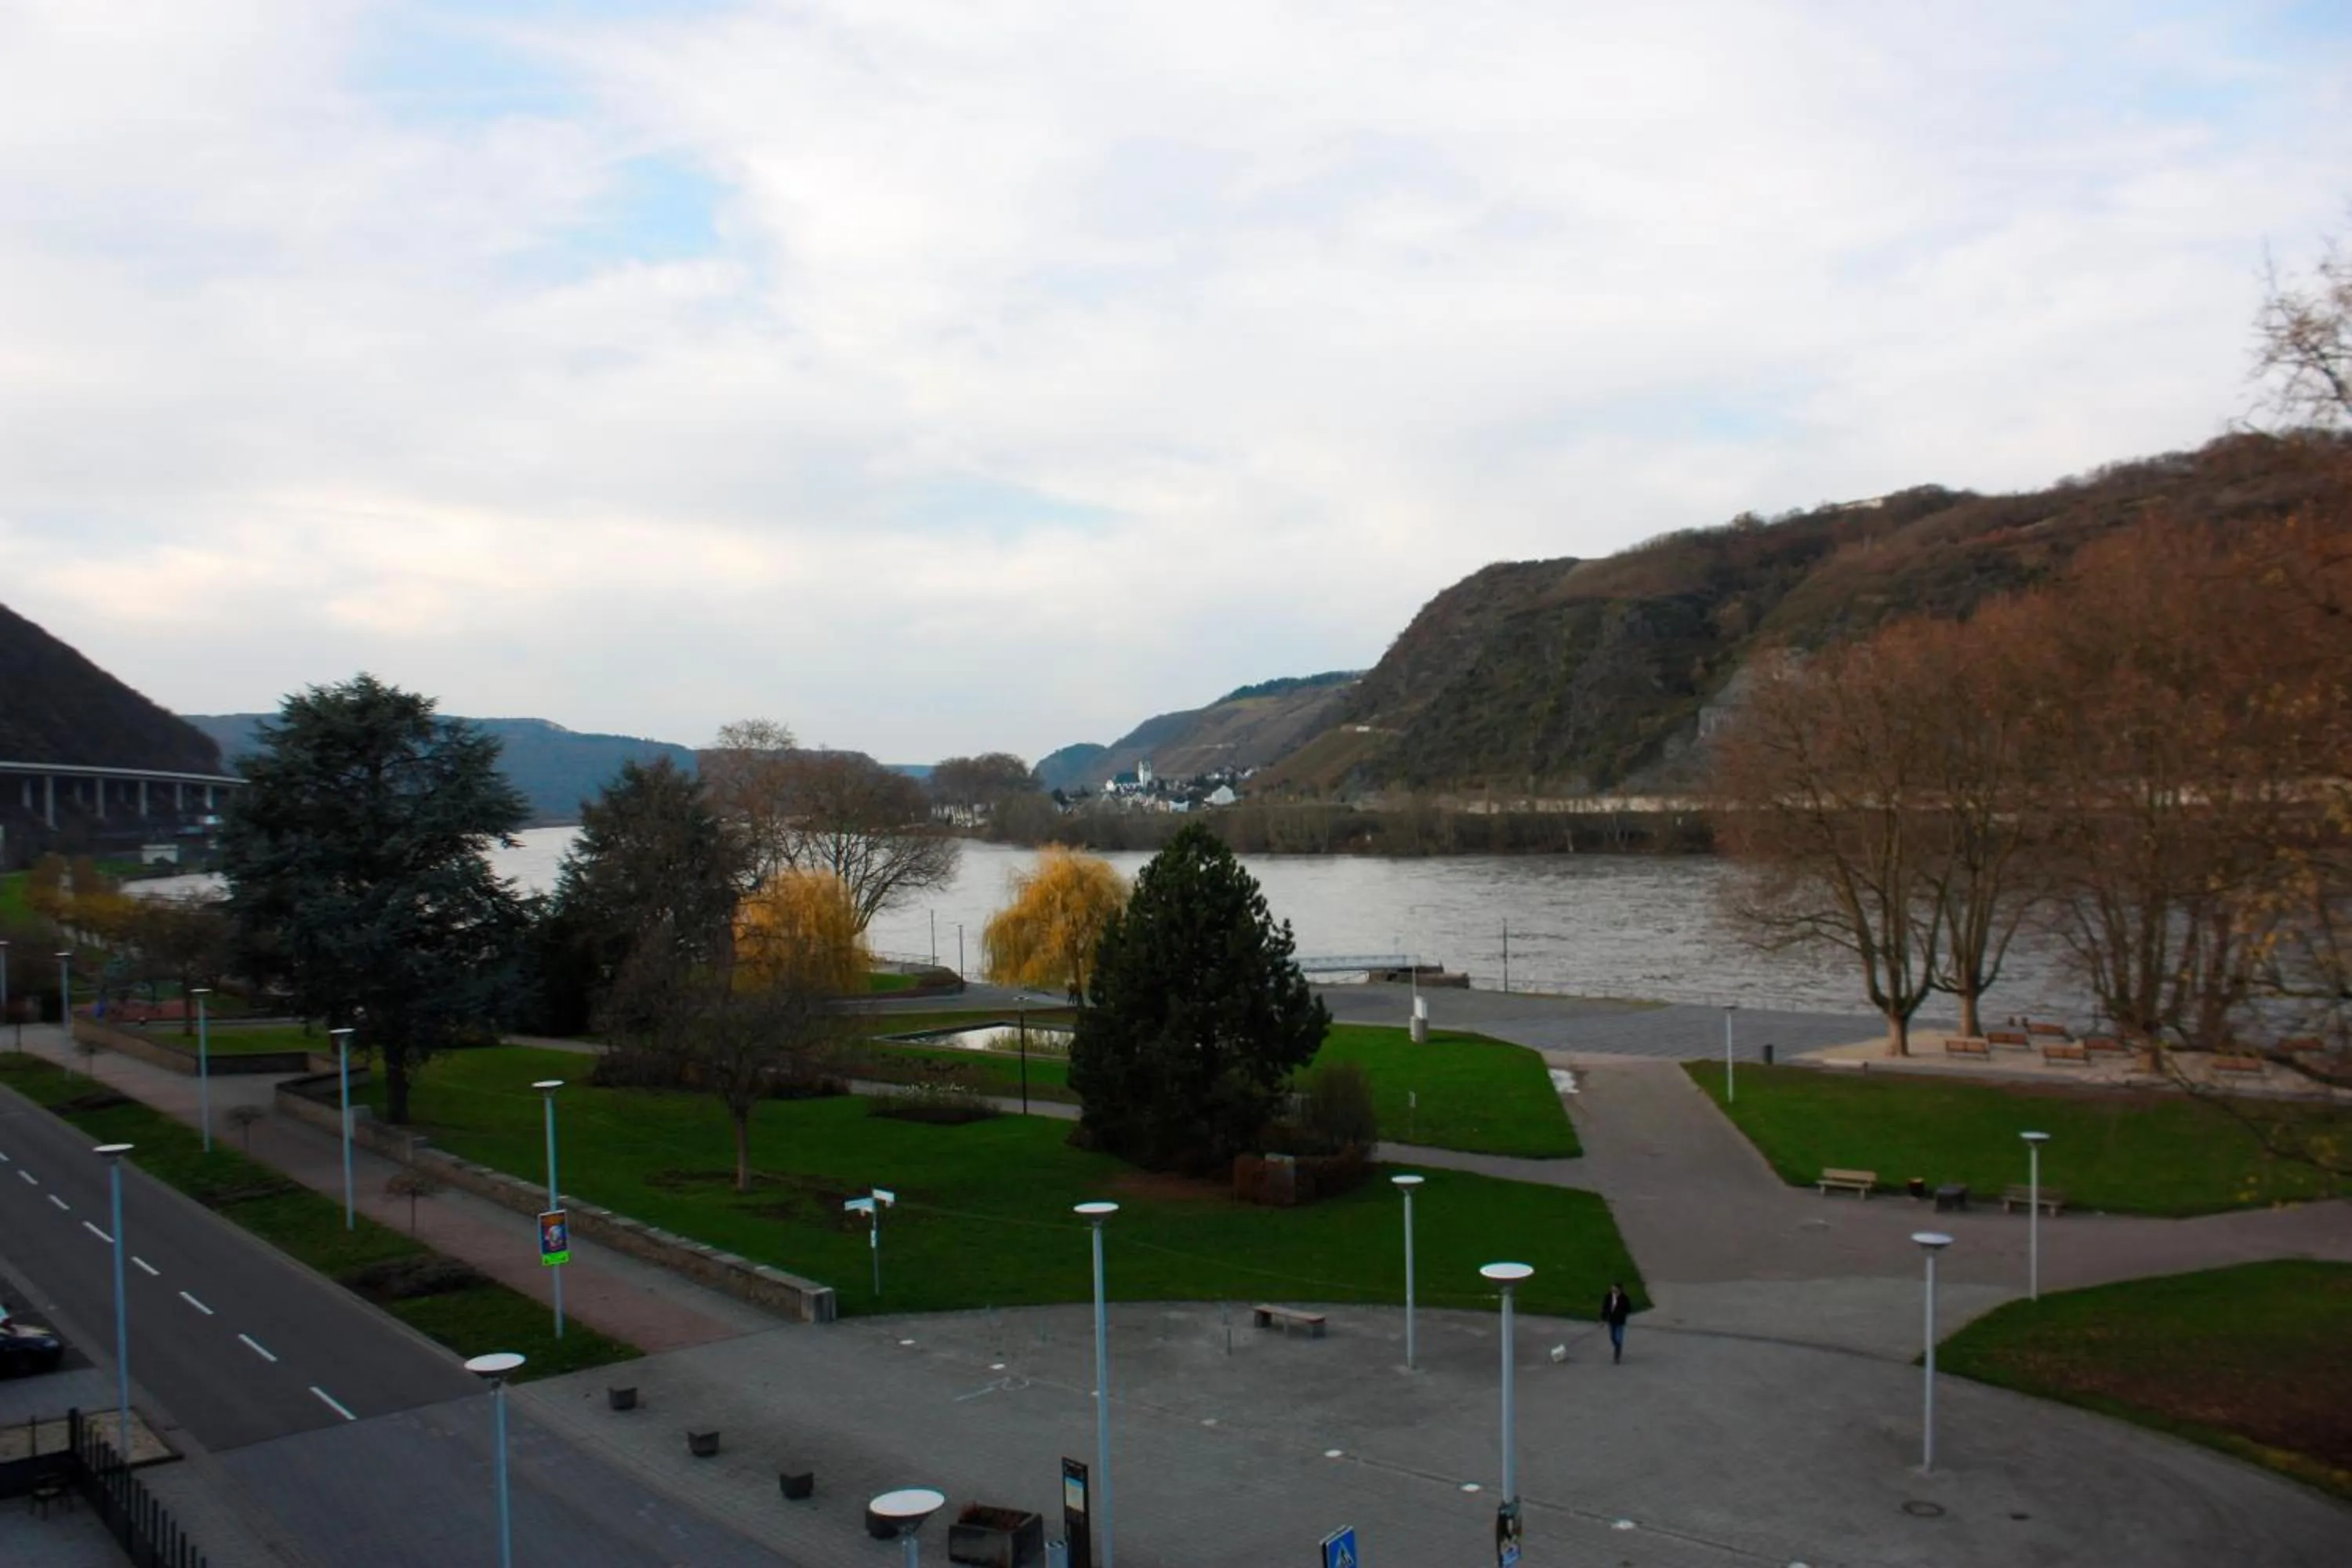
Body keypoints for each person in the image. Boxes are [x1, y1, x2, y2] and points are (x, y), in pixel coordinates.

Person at [1600, 1282, 1632, 1363]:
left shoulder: (1624, 1298)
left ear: (1619, 1289)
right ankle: (1617, 1347)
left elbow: (1628, 1309)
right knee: (1613, 1337)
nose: (1612, 1289)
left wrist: (1622, 1313)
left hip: (1620, 1321)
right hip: (1611, 1320)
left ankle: (1617, 1355)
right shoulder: (1609, 1297)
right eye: (1612, 1288)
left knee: (1618, 1338)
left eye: (1614, 1288)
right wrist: (1603, 1319)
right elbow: (1605, 1308)